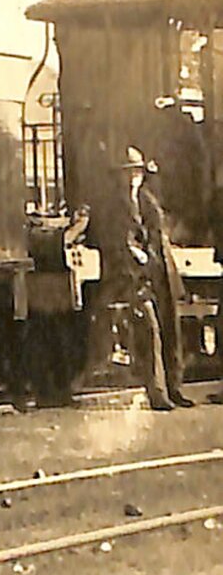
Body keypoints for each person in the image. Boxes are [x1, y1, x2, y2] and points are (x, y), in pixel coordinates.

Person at [94, 146, 196, 410]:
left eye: (136, 172)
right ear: (118, 177)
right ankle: (157, 392)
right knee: (150, 332)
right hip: (133, 278)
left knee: (170, 329)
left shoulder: (148, 201)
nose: (132, 177)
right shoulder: (113, 207)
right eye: (127, 173)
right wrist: (137, 257)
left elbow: (157, 236)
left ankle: (175, 387)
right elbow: (116, 241)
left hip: (160, 273)